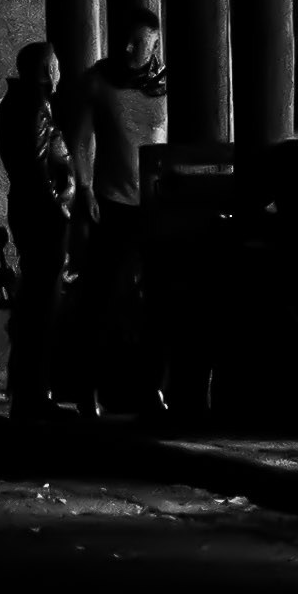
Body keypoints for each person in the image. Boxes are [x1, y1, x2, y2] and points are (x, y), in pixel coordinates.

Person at [71, 23, 169, 415]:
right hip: (113, 202)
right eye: (125, 40)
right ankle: (87, 389)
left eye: (139, 41)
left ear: (154, 44)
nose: (129, 47)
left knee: (158, 299)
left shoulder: (163, 87)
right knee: (101, 297)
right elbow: (80, 141)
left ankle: (151, 388)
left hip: (157, 206)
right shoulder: (99, 82)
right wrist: (84, 189)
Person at [0, 43, 81, 423]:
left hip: (29, 210)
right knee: (43, 305)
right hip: (42, 215)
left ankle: (29, 391)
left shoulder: (14, 103)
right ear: (47, 69)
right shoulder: (35, 106)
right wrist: (59, 206)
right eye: (56, 65)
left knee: (35, 302)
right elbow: (35, 165)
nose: (60, 71)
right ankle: (34, 394)